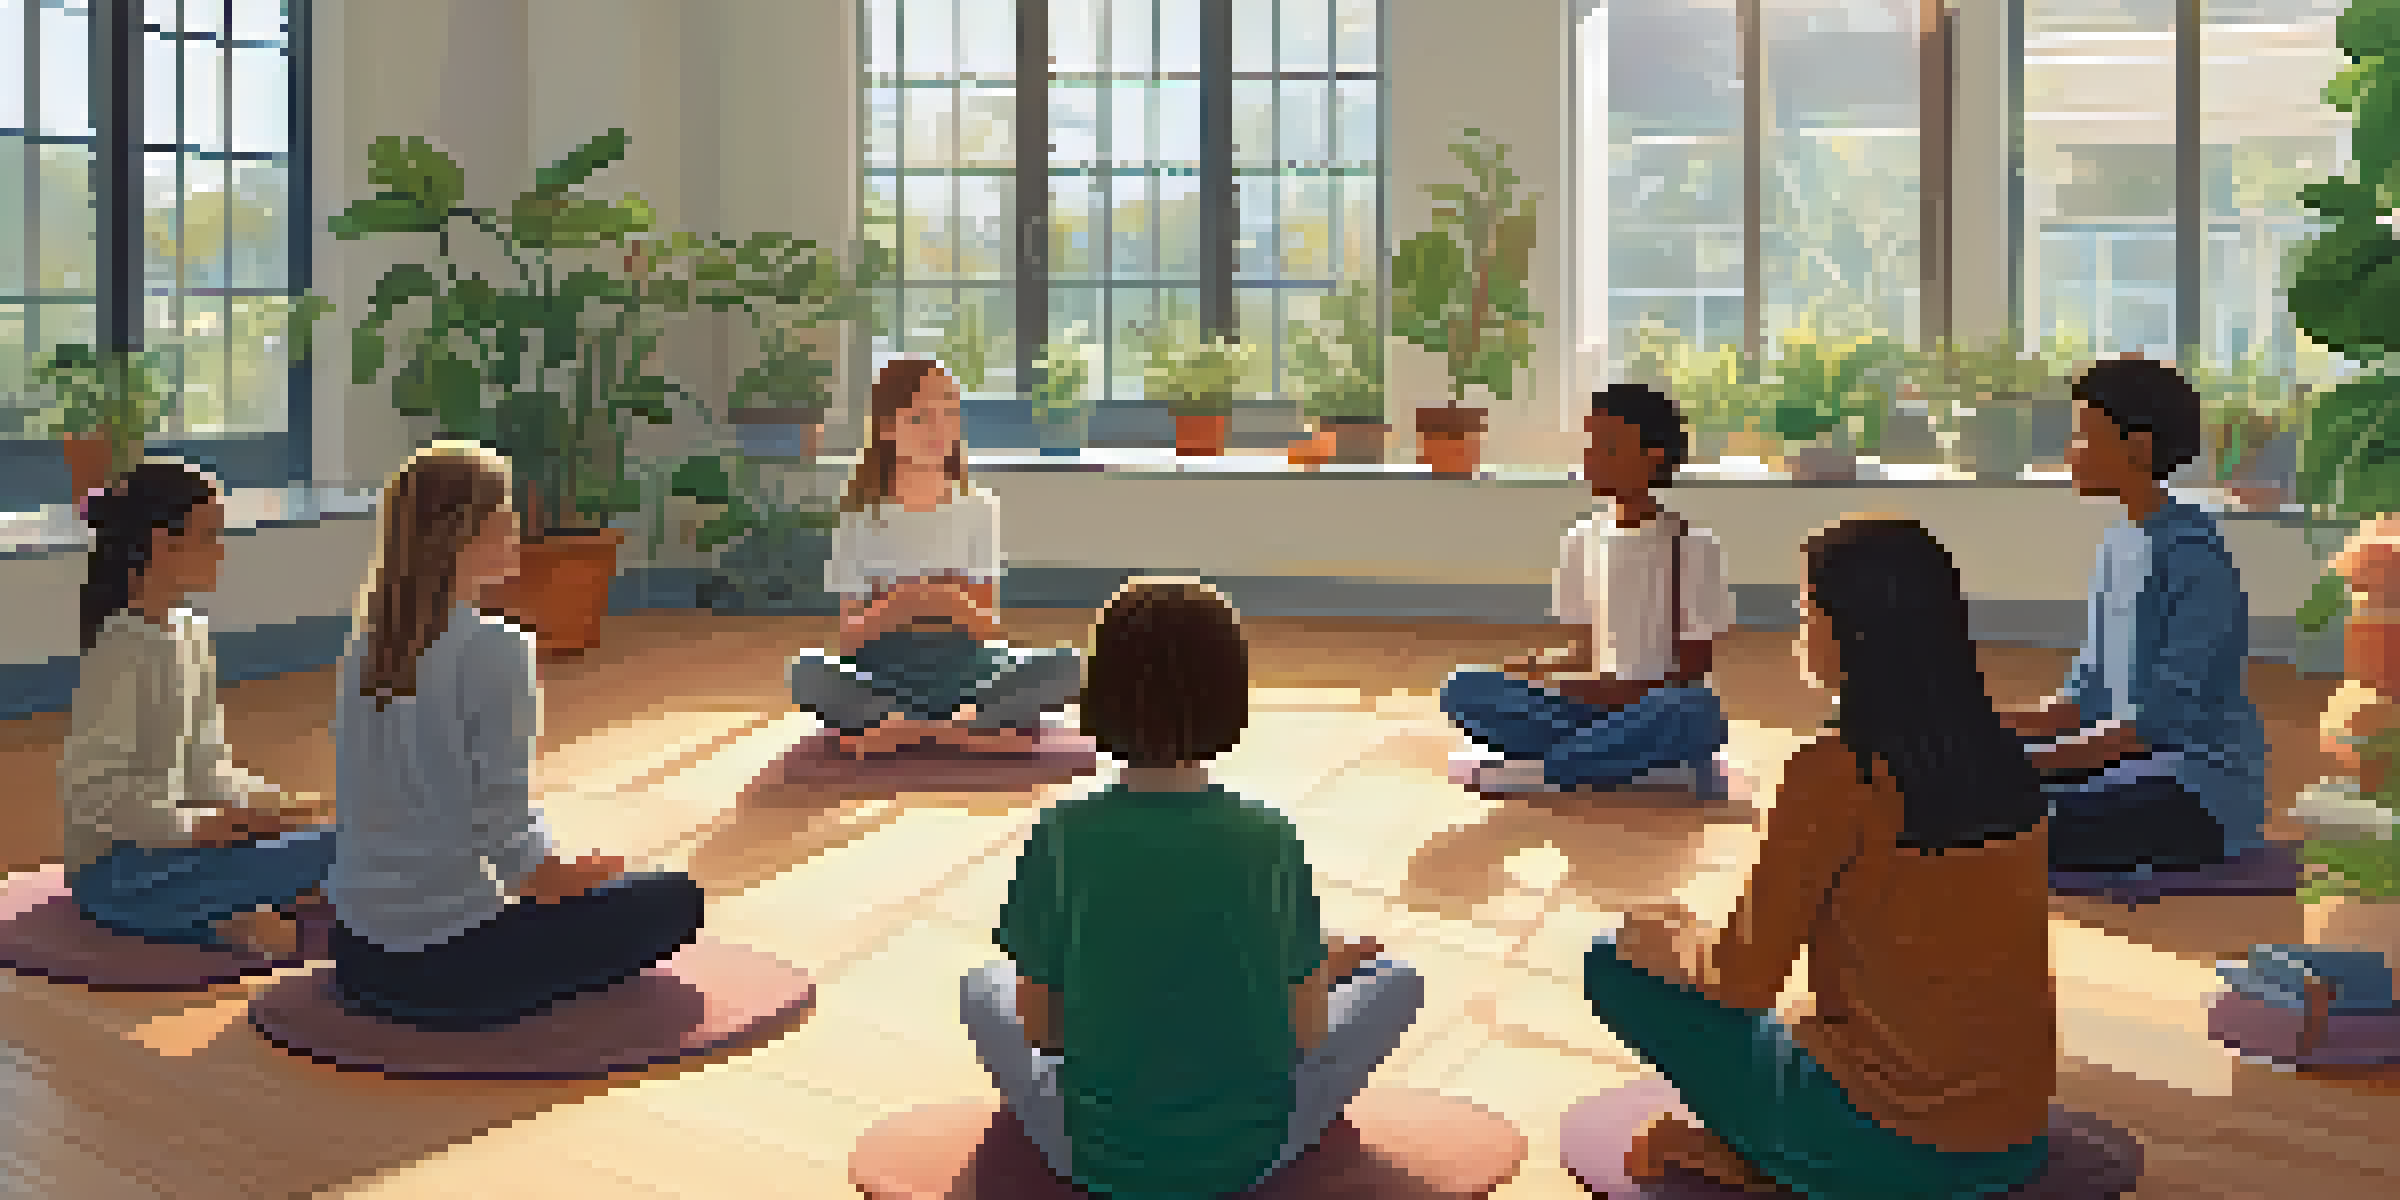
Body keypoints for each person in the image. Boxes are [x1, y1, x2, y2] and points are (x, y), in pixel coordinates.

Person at [1590, 517, 2057, 1198]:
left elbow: (1741, 982)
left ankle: (1770, 1161)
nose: (1799, 632)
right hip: (2014, 1141)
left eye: (1806, 611)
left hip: (1879, 1146)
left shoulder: (1833, 771)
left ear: (1853, 633)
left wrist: (1664, 932)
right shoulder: (2003, 756)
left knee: (1612, 956)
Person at [961, 579, 1425, 1195]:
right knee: (1397, 980)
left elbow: (1045, 1032)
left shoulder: (1062, 832)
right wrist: (1322, 964)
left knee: (980, 986)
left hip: (1090, 1150)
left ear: (1099, 696)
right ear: (1230, 699)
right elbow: (1306, 1034)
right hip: (1254, 1149)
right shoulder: (1268, 836)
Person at [325, 442, 705, 1032]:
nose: (515, 526)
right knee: (676, 897)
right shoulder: (499, 648)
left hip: (353, 948)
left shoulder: (368, 645)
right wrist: (572, 878)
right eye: (501, 512)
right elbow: (506, 833)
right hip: (450, 964)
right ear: (457, 534)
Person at [1999, 356, 2270, 873]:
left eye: (2081, 437)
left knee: (2005, 828)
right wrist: (1970, 731)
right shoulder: (2117, 546)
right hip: (2125, 763)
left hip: (2198, 789)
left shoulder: (2197, 559)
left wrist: (2020, 761)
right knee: (1971, 797)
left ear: (2138, 447)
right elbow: (2080, 701)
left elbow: (2153, 725)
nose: (2069, 452)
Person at [58, 461, 336, 959]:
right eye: (211, 535)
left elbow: (207, 765)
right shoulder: (121, 651)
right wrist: (192, 827)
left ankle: (247, 906)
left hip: (179, 849)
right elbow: (90, 796)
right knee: (341, 846)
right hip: (121, 874)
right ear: (164, 544)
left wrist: (275, 805)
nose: (223, 550)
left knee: (334, 831)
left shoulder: (190, 632)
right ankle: (237, 912)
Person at [1441, 384, 1736, 793]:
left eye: (1609, 448)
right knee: (1465, 687)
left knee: (1694, 711)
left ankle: (1557, 766)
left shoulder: (1692, 546)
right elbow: (1584, 652)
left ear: (1652, 458)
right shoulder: (1580, 539)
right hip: (1584, 707)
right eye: (1590, 445)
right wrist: (1538, 669)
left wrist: (1617, 695)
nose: (1591, 460)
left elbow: (1691, 670)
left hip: (1649, 706)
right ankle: (1600, 758)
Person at [790, 357, 1082, 759]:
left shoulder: (978, 507)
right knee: (808, 672)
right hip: (884, 671)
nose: (938, 429)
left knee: (1066, 664)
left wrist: (946, 602)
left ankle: (907, 730)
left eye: (948, 412)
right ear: (887, 427)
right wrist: (904, 604)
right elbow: (850, 636)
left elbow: (989, 629)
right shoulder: (861, 514)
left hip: (971, 670)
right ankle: (961, 731)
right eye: (920, 417)